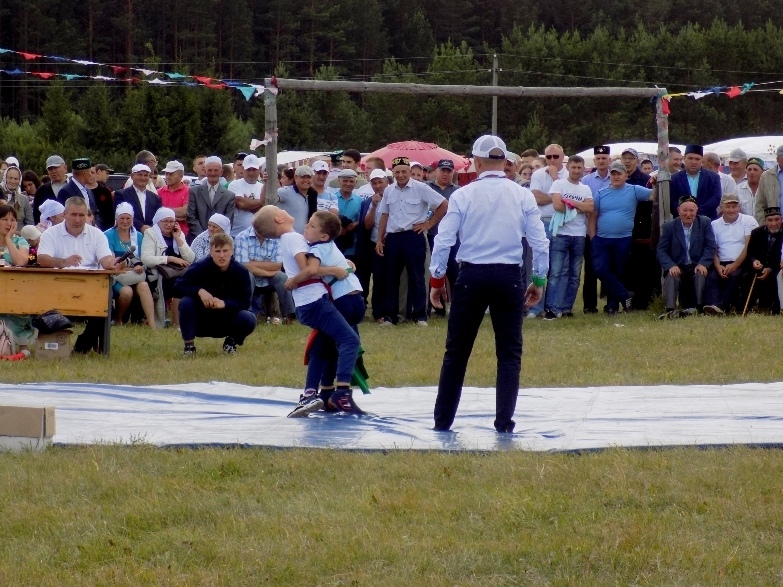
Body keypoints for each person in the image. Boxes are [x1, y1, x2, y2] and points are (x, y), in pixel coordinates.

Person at [429, 134, 549, 433]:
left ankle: (443, 422)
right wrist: (538, 279)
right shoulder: (521, 195)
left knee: (456, 352)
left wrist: (436, 278)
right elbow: (539, 242)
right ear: (505, 161)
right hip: (508, 275)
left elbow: (444, 240)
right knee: (509, 353)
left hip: (472, 276)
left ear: (476, 162)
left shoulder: (463, 195)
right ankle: (504, 422)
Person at [254, 205, 361, 413]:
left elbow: (317, 256)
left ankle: (316, 394)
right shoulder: (293, 238)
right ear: (278, 218)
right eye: (280, 209)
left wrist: (343, 265)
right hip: (314, 301)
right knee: (349, 340)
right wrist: (335, 270)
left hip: (311, 301)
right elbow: (309, 269)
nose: (307, 226)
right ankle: (340, 393)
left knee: (323, 347)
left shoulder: (291, 239)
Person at [285, 211, 365, 417]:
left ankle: (339, 392)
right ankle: (329, 394)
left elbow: (311, 270)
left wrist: (293, 281)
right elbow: (336, 265)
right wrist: (339, 268)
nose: (305, 227)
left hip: (343, 300)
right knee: (328, 345)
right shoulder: (327, 245)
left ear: (324, 236)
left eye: (311, 225)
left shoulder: (317, 248)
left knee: (324, 347)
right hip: (356, 298)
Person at [37, 196, 123, 353]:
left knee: (105, 306)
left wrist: (113, 263)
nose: (78, 219)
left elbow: (105, 260)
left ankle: (83, 346)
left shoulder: (97, 234)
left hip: (90, 288)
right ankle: (55, 346)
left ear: (87, 215)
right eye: (73, 215)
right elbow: (42, 259)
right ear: (64, 214)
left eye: (82, 215)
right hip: (58, 287)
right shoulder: (50, 233)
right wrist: (63, 262)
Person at [376, 157, 447, 326]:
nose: (400, 175)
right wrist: (379, 239)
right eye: (397, 172)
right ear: (392, 173)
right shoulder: (389, 191)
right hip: (393, 237)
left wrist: (429, 224)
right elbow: (384, 215)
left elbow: (443, 204)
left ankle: (420, 316)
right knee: (391, 278)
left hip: (413, 236)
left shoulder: (420, 188)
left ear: (409, 172)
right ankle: (391, 317)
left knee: (417, 277)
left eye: (404, 172)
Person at [589, 161, 655, 315]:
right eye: (613, 173)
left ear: (626, 175)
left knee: (618, 271)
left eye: (619, 173)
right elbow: (593, 216)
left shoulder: (634, 190)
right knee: (600, 269)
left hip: (623, 239)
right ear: (610, 175)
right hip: (602, 239)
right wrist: (593, 237)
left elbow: (653, 196)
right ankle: (625, 294)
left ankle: (612, 307)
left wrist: (655, 182)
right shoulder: (601, 193)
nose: (616, 176)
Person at [174, 233, 256, 356]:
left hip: (226, 318)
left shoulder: (241, 272)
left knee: (249, 318)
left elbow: (244, 302)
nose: (221, 255)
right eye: (217, 251)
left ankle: (231, 343)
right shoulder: (200, 267)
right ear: (211, 252)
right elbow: (177, 287)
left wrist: (224, 303)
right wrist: (199, 291)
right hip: (201, 319)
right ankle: (189, 347)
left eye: (225, 251)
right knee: (186, 302)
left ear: (232, 252)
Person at [543, 155, 593, 320]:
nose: (576, 171)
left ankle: (566, 308)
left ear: (583, 169)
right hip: (561, 234)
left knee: (574, 275)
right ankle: (551, 308)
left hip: (579, 235)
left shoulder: (585, 188)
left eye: (579, 168)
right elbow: (557, 205)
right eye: (573, 167)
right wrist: (579, 207)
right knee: (556, 272)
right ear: (568, 167)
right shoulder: (559, 184)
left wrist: (570, 204)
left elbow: (590, 208)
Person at [656, 196, 716, 318]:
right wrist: (670, 265)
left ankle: (699, 308)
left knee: (700, 274)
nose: (688, 214)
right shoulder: (669, 227)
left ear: (696, 210)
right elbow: (661, 250)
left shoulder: (704, 222)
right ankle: (670, 310)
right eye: (685, 210)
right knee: (671, 275)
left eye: (691, 211)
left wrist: (703, 263)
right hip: (679, 264)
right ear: (678, 210)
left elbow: (710, 246)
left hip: (696, 263)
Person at [527, 143, 566, 318]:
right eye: (548, 157)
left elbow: (567, 199)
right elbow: (536, 198)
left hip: (561, 224)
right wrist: (555, 197)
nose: (551, 160)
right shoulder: (537, 174)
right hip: (541, 223)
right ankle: (535, 308)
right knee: (538, 265)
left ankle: (552, 307)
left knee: (557, 269)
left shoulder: (567, 174)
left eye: (555, 157)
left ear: (562, 157)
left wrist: (555, 177)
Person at [703, 193, 758, 315]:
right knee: (712, 276)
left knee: (734, 275)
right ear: (721, 208)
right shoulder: (714, 224)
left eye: (734, 206)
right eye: (728, 207)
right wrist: (718, 266)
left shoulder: (748, 220)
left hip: (743, 261)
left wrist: (735, 265)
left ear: (739, 207)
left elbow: (748, 246)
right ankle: (712, 305)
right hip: (721, 261)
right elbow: (713, 248)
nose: (731, 210)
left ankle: (723, 307)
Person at [233, 218, 295, 324]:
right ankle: (247, 315)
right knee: (247, 275)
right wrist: (268, 272)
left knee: (282, 277)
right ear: (253, 224)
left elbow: (277, 265)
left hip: (268, 280)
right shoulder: (241, 238)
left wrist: (252, 263)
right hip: (249, 280)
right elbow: (243, 266)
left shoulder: (275, 239)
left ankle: (289, 316)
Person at [141, 207, 195, 328]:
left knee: (182, 283)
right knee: (175, 284)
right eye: (165, 221)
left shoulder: (178, 234)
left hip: (176, 273)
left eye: (171, 221)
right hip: (158, 273)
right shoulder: (151, 234)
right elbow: (146, 259)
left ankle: (178, 324)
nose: (168, 224)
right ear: (158, 221)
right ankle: (159, 321)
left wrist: (178, 238)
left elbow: (190, 258)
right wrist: (169, 258)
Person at [104, 203, 156, 327]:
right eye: (122, 218)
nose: (125, 221)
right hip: (116, 275)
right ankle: (118, 319)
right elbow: (111, 262)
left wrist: (138, 266)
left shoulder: (138, 236)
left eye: (128, 218)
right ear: (116, 219)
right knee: (127, 292)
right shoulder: (108, 235)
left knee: (143, 285)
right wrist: (130, 267)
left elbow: (144, 259)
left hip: (133, 274)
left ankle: (152, 324)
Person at [580, 145, 612, 314]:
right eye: (598, 159)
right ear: (594, 161)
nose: (601, 161)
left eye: (604, 158)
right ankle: (589, 305)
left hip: (609, 230)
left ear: (609, 160)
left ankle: (609, 303)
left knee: (609, 268)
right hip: (589, 231)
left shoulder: (614, 178)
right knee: (591, 270)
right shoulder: (586, 181)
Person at [0, 204, 35, 355]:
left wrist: (8, 239)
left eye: (12, 219)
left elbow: (21, 261)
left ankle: (22, 345)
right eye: (4, 219)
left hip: (15, 289)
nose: (9, 223)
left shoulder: (20, 241)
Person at [744, 207, 783, 313]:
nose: (773, 223)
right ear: (765, 221)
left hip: (776, 266)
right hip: (759, 266)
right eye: (770, 220)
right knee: (746, 276)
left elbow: (779, 256)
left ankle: (776, 308)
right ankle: (747, 307)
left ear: (781, 219)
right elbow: (750, 252)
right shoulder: (756, 232)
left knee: (775, 277)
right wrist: (754, 261)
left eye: (776, 219)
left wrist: (770, 268)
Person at [669, 144, 722, 220]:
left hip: (707, 220)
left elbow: (715, 198)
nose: (693, 162)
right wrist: (685, 213)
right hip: (681, 221)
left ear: (702, 160)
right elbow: (672, 201)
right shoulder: (674, 178)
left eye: (697, 159)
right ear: (684, 158)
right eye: (690, 158)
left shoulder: (713, 177)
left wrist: (695, 213)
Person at [187, 156, 235, 235]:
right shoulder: (194, 192)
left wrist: (215, 235)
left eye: (216, 170)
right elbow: (191, 217)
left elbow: (228, 221)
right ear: (205, 171)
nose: (213, 173)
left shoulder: (229, 196)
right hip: (196, 237)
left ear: (221, 172)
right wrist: (203, 236)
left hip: (218, 240)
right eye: (210, 170)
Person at [114, 163, 163, 232]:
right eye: (139, 175)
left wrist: (151, 229)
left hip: (151, 236)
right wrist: (141, 227)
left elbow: (159, 216)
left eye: (146, 175)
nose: (143, 178)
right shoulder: (121, 195)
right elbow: (120, 215)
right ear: (132, 176)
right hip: (128, 234)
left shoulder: (155, 198)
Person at [270, 165, 318, 234]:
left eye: (309, 177)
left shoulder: (312, 195)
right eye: (303, 177)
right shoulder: (285, 191)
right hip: (285, 238)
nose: (306, 180)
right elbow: (267, 201)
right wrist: (266, 184)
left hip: (303, 240)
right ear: (295, 178)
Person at [227, 153, 265, 238]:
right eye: (248, 169)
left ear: (259, 169)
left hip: (258, 236)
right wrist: (262, 202)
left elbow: (267, 210)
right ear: (243, 169)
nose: (251, 172)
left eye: (254, 169)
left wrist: (249, 203)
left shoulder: (263, 187)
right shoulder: (234, 185)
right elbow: (241, 204)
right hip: (237, 235)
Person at [56, 158, 101, 226]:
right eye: (90, 172)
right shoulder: (65, 191)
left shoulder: (88, 191)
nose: (91, 175)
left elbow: (95, 212)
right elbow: (61, 216)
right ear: (84, 173)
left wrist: (96, 226)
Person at [157, 161, 190, 240]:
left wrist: (163, 213)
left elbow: (185, 212)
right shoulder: (159, 192)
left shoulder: (189, 191)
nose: (167, 177)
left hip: (181, 236)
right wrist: (177, 215)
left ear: (181, 176)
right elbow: (154, 212)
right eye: (166, 174)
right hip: (161, 236)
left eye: (171, 174)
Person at [32, 155, 68, 224]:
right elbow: (36, 214)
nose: (53, 171)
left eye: (56, 167)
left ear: (65, 168)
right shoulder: (41, 191)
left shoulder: (74, 188)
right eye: (50, 169)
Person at [754, 145, 783, 225]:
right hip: (773, 225)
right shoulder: (766, 176)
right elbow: (759, 204)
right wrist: (764, 225)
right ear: (777, 159)